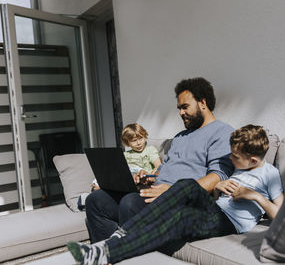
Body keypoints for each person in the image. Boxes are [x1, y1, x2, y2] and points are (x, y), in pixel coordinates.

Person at [67, 125, 284, 265]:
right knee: (187, 184)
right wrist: (220, 186)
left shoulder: (270, 175)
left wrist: (255, 196)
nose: (230, 159)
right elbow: (218, 195)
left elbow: (282, 216)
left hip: (229, 223)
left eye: (235, 157)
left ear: (254, 160)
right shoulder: (240, 167)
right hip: (214, 209)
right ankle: (122, 233)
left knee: (181, 218)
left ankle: (105, 253)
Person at [85, 77, 235, 242]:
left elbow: (218, 176)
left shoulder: (222, 132)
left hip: (179, 202)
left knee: (130, 203)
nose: (181, 113)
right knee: (96, 200)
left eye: (185, 107)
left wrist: (173, 193)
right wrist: (147, 178)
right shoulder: (180, 137)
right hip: (154, 194)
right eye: (179, 108)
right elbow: (164, 170)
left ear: (203, 103)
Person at [90, 123, 162, 191]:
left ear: (145, 137)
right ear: (127, 143)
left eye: (141, 139)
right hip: (128, 178)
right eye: (134, 141)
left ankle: (105, 187)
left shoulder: (150, 150)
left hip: (143, 178)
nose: (138, 143)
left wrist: (152, 176)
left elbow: (158, 166)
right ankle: (99, 184)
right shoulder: (125, 154)